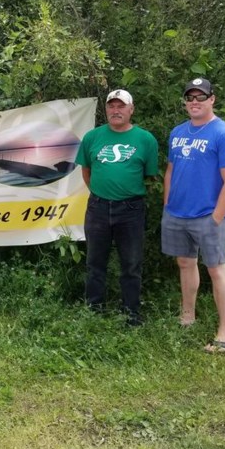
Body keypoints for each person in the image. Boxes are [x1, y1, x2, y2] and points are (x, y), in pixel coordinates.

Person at [162, 77, 225, 353]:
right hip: (177, 213)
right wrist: (167, 205)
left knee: (216, 269)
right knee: (185, 263)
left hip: (208, 215)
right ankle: (188, 316)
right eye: (190, 98)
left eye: (200, 97)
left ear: (212, 99)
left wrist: (217, 217)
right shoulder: (177, 132)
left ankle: (224, 333)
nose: (194, 102)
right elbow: (171, 172)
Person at [75, 89, 159, 326]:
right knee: (94, 263)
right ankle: (94, 310)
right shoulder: (92, 137)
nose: (116, 110)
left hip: (131, 210)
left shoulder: (146, 140)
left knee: (131, 264)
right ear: (106, 110)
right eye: (111, 106)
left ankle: (131, 313)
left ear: (131, 109)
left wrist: (123, 194)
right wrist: (102, 194)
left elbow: (150, 176)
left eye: (121, 106)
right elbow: (86, 170)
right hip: (98, 208)